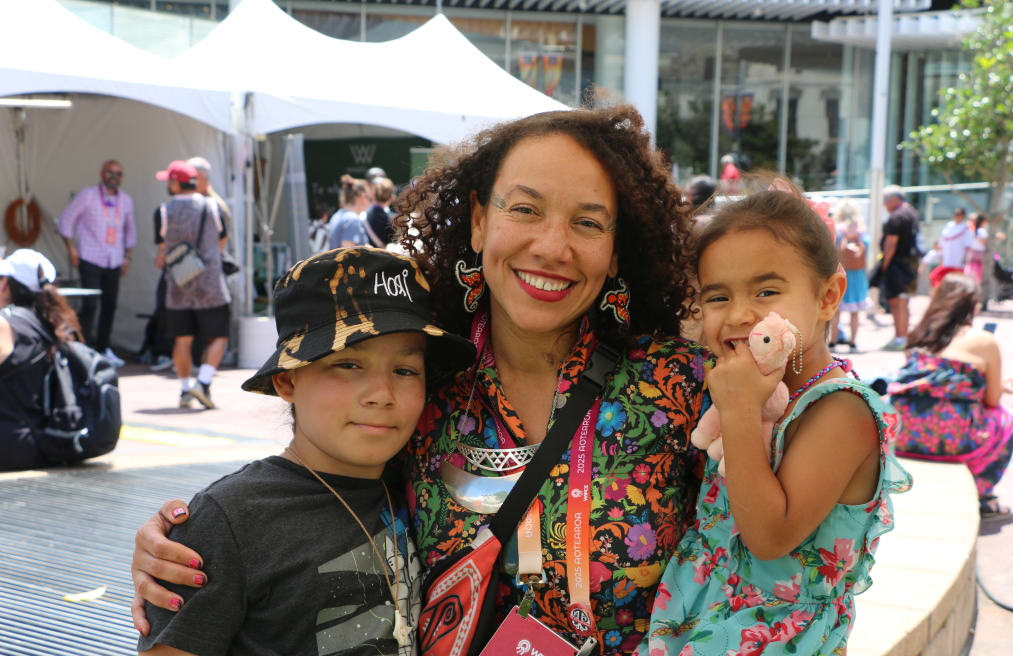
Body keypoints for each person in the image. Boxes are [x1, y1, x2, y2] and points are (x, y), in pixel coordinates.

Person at [130, 105, 710, 654]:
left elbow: (775, 542)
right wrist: (194, 539)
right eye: (525, 209)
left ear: (614, 252)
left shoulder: (680, 383)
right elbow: (311, 483)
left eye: (587, 222)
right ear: (480, 223)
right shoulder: (426, 379)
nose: (552, 246)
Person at [136, 247, 475, 656]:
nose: (382, 395)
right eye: (349, 365)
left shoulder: (417, 482)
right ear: (287, 381)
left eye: (405, 371)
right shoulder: (230, 519)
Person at [639, 187, 912, 656]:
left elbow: (768, 537)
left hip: (774, 637)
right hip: (701, 616)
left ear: (828, 297)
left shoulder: (840, 410)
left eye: (767, 291)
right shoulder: (757, 387)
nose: (741, 314)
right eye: (718, 296)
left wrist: (741, 411)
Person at [888, 273, 1013, 518]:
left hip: (903, 432)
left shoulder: (919, 336)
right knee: (1007, 420)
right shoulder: (984, 340)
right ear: (973, 306)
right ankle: (982, 494)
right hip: (953, 439)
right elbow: (992, 401)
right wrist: (1003, 386)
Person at [153, 160, 230, 410]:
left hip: (178, 284)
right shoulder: (212, 207)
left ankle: (185, 389)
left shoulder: (163, 212)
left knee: (182, 339)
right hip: (210, 284)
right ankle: (204, 383)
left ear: (176, 183)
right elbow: (222, 238)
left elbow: (162, 251)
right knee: (218, 336)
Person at [0, 249, 84, 470]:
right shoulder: (56, 325)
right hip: (45, 443)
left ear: (5, 284)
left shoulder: (6, 324)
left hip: (9, 445)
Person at [56, 159, 136, 367]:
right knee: (90, 304)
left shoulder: (125, 200)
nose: (114, 178)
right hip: (90, 256)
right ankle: (83, 347)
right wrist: (71, 248)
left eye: (118, 174)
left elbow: (130, 230)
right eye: (110, 173)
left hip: (114, 258)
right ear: (102, 173)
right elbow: (66, 220)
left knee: (110, 304)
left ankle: (104, 347)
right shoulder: (88, 195)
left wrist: (127, 256)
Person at [878, 185, 920, 351]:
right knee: (903, 301)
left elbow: (891, 243)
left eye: (886, 200)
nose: (884, 204)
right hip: (909, 263)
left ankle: (900, 337)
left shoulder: (898, 216)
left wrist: (884, 265)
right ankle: (902, 335)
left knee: (898, 302)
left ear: (895, 199)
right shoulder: (911, 212)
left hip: (898, 264)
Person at [838, 217, 871, 352]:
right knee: (843, 313)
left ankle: (845, 342)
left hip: (850, 278)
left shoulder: (861, 240)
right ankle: (842, 342)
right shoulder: (845, 240)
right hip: (850, 278)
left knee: (847, 313)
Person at [928, 207, 973, 288]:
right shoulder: (949, 226)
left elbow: (968, 246)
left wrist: (966, 258)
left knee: (956, 282)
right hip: (946, 260)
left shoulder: (965, 228)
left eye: (958, 214)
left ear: (963, 216)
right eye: (955, 214)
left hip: (958, 261)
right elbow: (942, 243)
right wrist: (940, 257)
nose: (956, 216)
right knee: (936, 278)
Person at [327, 176, 372, 248]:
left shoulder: (337, 215)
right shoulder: (352, 219)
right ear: (362, 196)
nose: (369, 201)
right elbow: (347, 254)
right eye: (369, 197)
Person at [366, 176, 397, 246]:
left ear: (373, 195)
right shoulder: (395, 219)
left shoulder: (363, 216)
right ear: (392, 198)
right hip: (386, 256)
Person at [964, 212, 989, 283]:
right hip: (979, 255)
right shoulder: (981, 231)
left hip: (972, 254)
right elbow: (984, 244)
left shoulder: (973, 231)